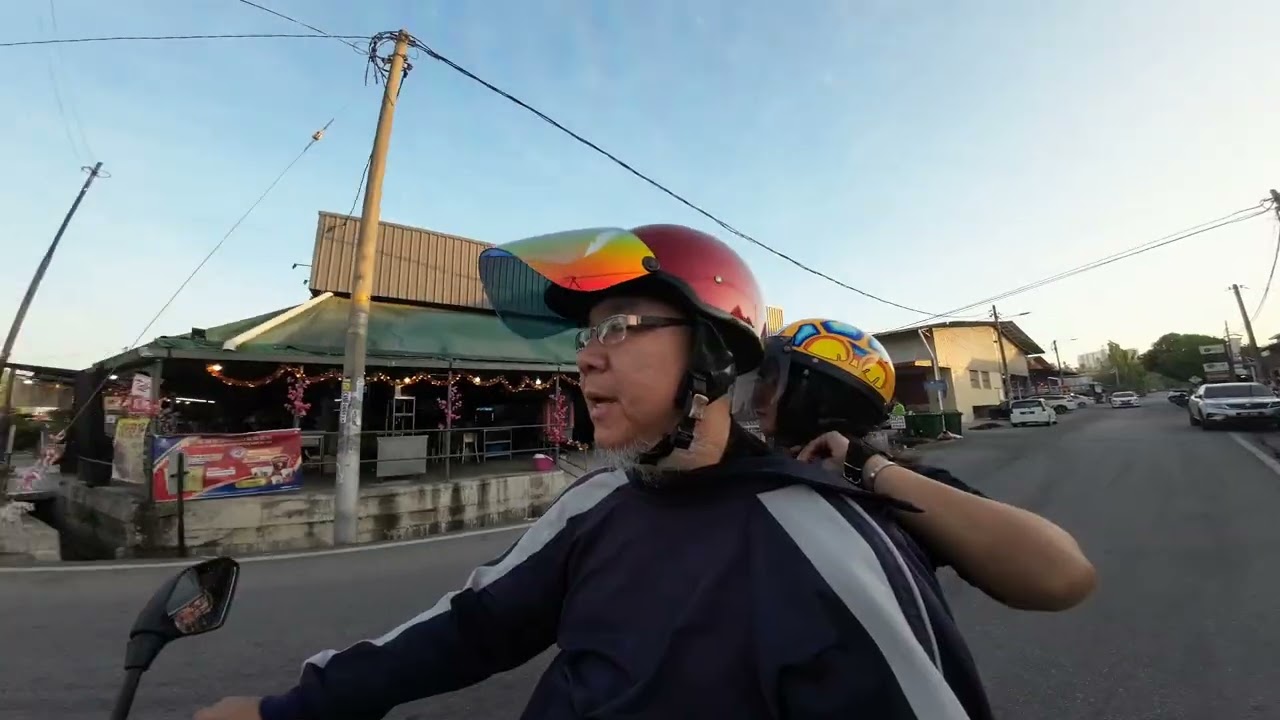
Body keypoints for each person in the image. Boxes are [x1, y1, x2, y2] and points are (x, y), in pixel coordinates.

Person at [197, 224, 993, 720]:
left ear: (713, 351)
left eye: (617, 325)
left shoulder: (830, 541)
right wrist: (291, 709)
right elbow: (468, 628)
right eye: (583, 337)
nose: (586, 357)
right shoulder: (600, 503)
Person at [751, 319, 1096, 612]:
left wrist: (870, 468)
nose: (757, 397)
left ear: (814, 394)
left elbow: (1062, 575)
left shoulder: (896, 487)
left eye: (770, 380)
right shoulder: (749, 471)